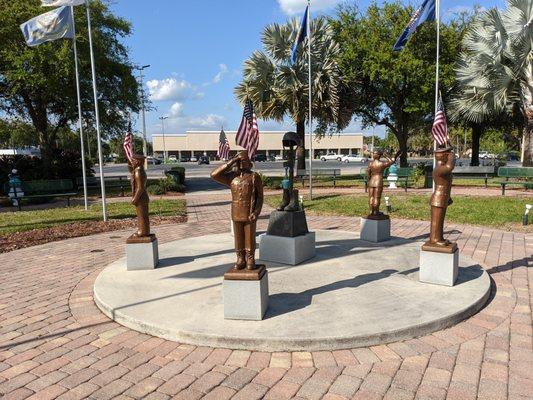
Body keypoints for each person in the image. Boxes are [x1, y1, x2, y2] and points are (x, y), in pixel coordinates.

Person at [211, 151, 264, 270]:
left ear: (249, 163)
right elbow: (214, 175)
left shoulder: (254, 177)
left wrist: (256, 212)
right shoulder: (231, 177)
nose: (241, 163)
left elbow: (260, 197)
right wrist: (231, 162)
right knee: (238, 237)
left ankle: (250, 258)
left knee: (250, 237)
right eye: (239, 161)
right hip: (236, 212)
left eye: (243, 160)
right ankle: (240, 257)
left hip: (249, 212)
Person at [425, 147, 456, 250]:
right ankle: (434, 239)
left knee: (440, 221)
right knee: (436, 221)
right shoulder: (439, 169)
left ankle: (439, 237)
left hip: (443, 197)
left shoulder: (442, 167)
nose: (449, 155)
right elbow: (449, 167)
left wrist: (448, 197)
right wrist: (452, 157)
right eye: (447, 154)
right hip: (438, 197)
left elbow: (447, 183)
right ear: (442, 156)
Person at [366, 149, 401, 217]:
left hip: (371, 181)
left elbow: (368, 173)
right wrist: (386, 155)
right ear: (379, 156)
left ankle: (371, 211)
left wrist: (369, 179)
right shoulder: (381, 164)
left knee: (371, 197)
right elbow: (391, 162)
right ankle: (376, 212)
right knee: (377, 197)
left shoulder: (370, 164)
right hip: (378, 181)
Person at [129, 154, 150, 238]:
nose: (131, 163)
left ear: (137, 162)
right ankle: (143, 230)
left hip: (141, 197)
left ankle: (143, 232)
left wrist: (135, 199)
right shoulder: (138, 170)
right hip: (142, 197)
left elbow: (140, 187)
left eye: (133, 161)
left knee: (142, 216)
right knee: (142, 215)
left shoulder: (138, 171)